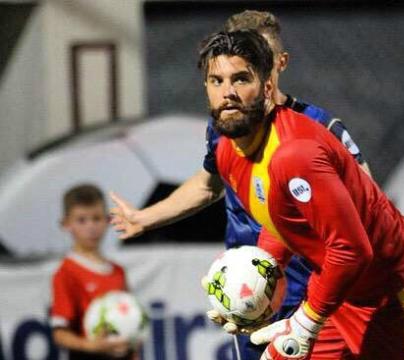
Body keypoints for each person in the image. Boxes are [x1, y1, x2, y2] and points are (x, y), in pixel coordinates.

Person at [110, 10, 372, 360]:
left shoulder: (317, 129)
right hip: (248, 288)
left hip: (313, 293)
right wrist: (145, 218)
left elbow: (367, 203)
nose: (234, 83)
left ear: (278, 63)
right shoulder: (225, 128)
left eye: (256, 60)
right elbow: (208, 184)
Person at [200, 30, 404, 359]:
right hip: (339, 290)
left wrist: (306, 321)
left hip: (394, 292)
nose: (228, 93)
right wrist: (255, 279)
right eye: (216, 81)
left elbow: (353, 249)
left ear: (267, 87)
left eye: (241, 79)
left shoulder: (295, 154)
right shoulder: (227, 150)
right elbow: (278, 223)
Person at [50, 184, 133, 360]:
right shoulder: (66, 273)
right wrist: (91, 346)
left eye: (96, 218)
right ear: (66, 224)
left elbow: (130, 319)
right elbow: (60, 333)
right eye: (81, 220)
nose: (91, 227)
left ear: (108, 220)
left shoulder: (118, 271)